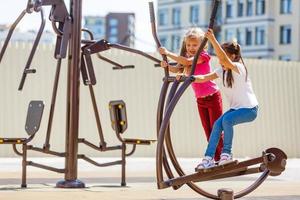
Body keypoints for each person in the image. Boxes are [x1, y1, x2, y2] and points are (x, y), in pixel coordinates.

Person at [193, 29, 259, 169]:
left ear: (233, 57)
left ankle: (227, 154)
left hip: (249, 109)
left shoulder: (239, 68)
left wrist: (212, 39)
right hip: (236, 109)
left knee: (227, 120)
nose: (220, 60)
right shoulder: (221, 71)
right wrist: (189, 78)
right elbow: (204, 78)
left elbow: (224, 59)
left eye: (223, 56)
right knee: (217, 124)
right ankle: (208, 158)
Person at [158, 28, 224, 161]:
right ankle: (215, 158)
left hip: (212, 97)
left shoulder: (204, 56)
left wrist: (167, 53)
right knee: (207, 130)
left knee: (216, 129)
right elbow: (178, 68)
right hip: (200, 100)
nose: (191, 48)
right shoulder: (186, 58)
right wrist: (166, 66)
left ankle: (224, 155)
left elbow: (188, 63)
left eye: (195, 45)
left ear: (203, 45)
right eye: (188, 45)